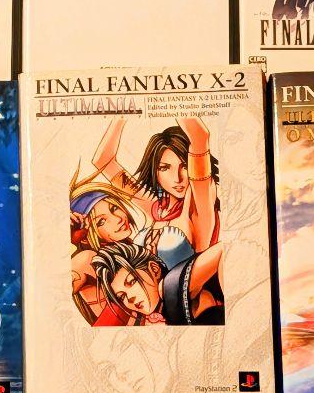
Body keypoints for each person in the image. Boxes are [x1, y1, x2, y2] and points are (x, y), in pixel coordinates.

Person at [69, 174, 192, 325]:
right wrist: (67, 242)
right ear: (85, 236)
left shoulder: (135, 250)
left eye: (114, 208)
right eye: (101, 221)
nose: (118, 219)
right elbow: (55, 291)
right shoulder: (88, 259)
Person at [91, 117, 219, 252]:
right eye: (164, 168)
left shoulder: (199, 205)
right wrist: (123, 114)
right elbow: (103, 161)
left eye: (185, 167)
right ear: (155, 172)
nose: (177, 178)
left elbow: (199, 135)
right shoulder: (155, 208)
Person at [91, 239, 225, 327]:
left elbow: (222, 249)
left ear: (154, 269)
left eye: (132, 282)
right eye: (122, 296)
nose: (129, 298)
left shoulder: (169, 286)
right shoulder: (153, 315)